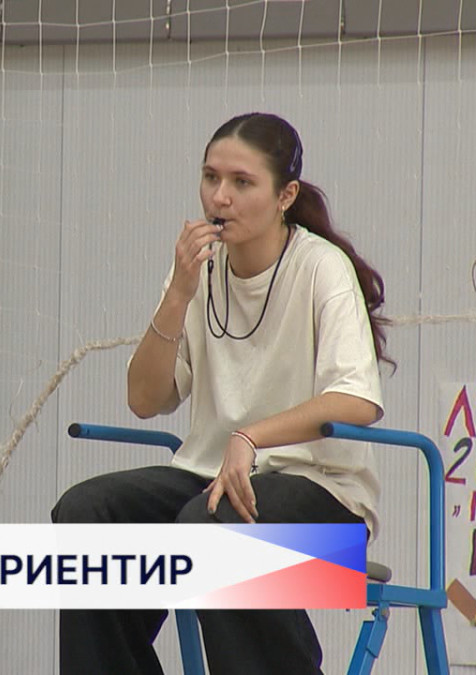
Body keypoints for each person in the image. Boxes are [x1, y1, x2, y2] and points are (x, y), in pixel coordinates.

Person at [51, 112, 393, 675]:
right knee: (87, 512)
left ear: (285, 196)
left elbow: (356, 400)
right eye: (210, 178)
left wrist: (250, 437)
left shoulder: (320, 268)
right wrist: (178, 294)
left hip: (325, 499)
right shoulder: (197, 272)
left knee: (212, 526)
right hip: (209, 480)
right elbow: (144, 399)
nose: (220, 197)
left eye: (241, 182)